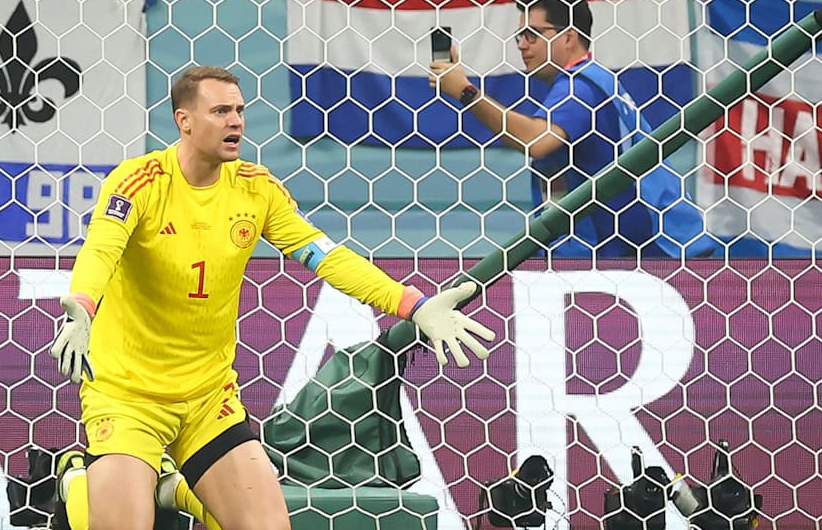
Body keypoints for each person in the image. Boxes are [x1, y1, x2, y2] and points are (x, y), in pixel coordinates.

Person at [47, 65, 496, 530]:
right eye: (220, 111)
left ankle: (169, 484)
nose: (236, 121)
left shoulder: (255, 190)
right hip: (128, 396)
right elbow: (101, 247)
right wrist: (81, 307)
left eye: (240, 111)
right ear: (184, 120)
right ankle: (77, 475)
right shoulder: (140, 181)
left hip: (207, 398)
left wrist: (413, 304)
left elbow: (327, 257)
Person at [430, 0, 714, 259]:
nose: (521, 45)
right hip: (656, 244)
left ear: (568, 37)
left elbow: (536, 142)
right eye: (519, 36)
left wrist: (467, 92)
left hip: (652, 253)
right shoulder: (597, 79)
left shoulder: (581, 89)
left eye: (532, 34)